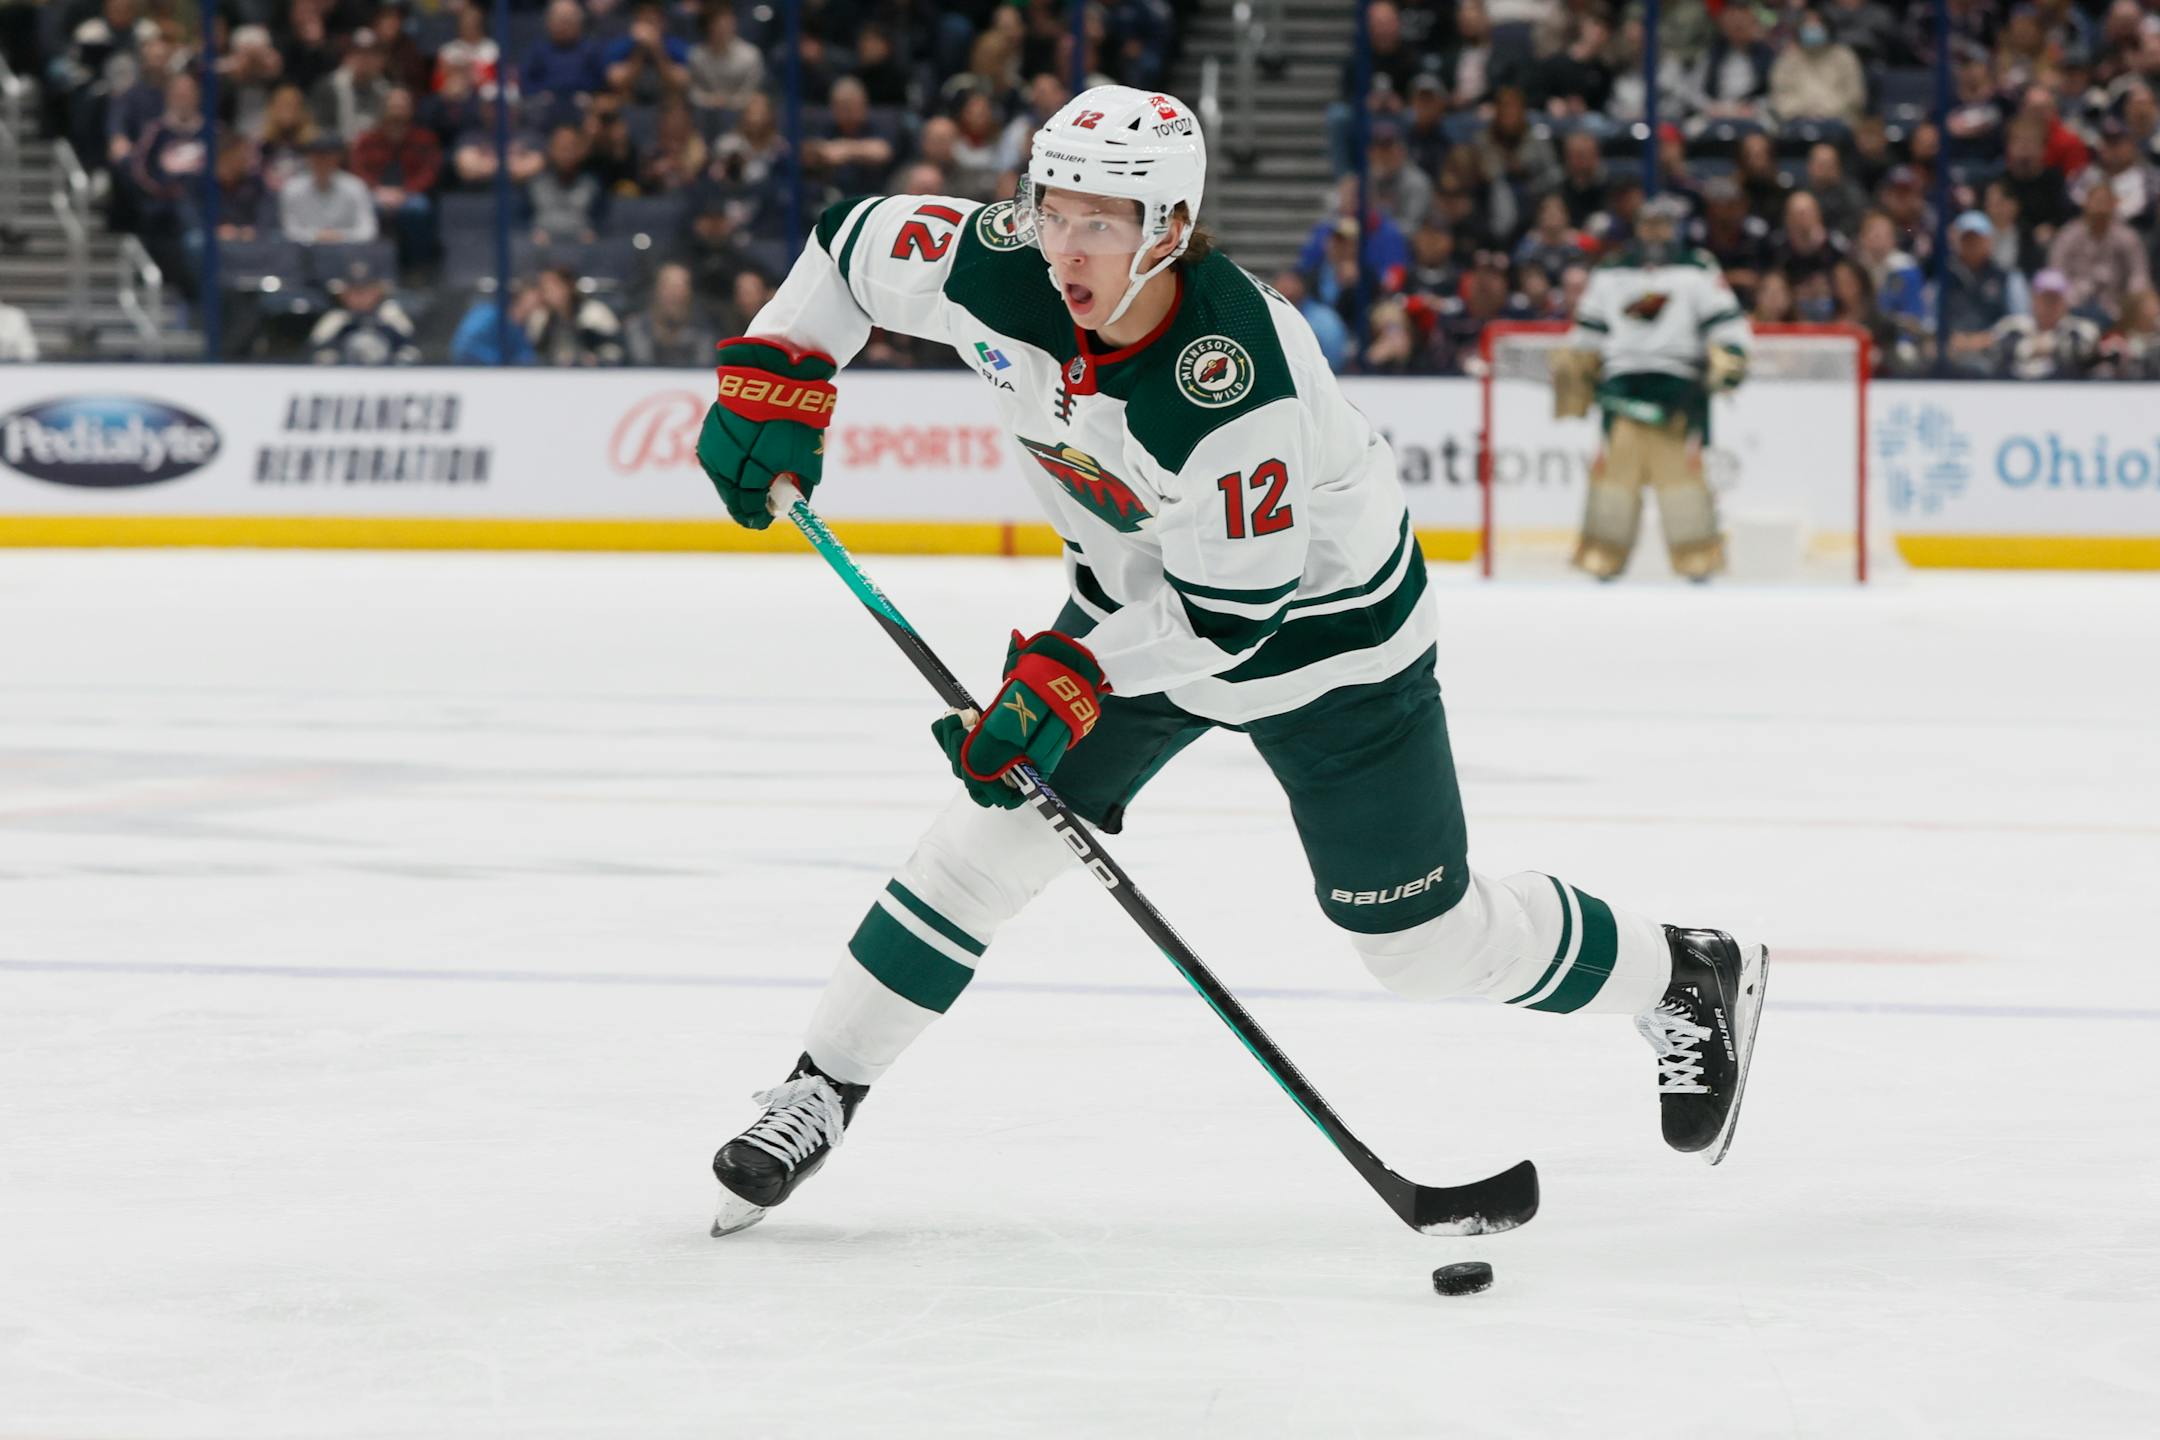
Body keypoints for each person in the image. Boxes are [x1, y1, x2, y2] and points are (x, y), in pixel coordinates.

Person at [692, 85, 1768, 1237]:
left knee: (1420, 947)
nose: (1067, 245)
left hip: (1327, 642)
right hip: (1132, 604)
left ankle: (1682, 972)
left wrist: (1067, 678)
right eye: (1055, 208)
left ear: (1166, 228)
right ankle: (822, 1087)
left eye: (1104, 221)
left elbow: (1231, 621)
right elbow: (850, 249)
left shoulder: (1233, 379)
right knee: (985, 843)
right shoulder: (996, 261)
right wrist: (780, 370)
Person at [1550, 194, 1752, 583]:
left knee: (1681, 481)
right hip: (1621, 384)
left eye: (1662, 224)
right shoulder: (1610, 272)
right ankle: (1602, 558)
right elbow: (1588, 334)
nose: (1654, 232)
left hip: (1677, 389)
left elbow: (1727, 324)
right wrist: (1575, 366)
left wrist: (1730, 355)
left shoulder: (1697, 269)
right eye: (1648, 224)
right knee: (1614, 480)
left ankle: (1698, 559)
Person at [350, 86, 440, 270]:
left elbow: (430, 171)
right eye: (394, 104)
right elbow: (357, 168)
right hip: (375, 193)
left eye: (402, 105)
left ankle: (418, 266)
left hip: (410, 193)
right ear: (384, 107)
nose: (397, 109)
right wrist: (376, 189)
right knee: (368, 209)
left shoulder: (425, 139)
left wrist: (405, 191)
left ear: (411, 109)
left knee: (418, 208)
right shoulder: (368, 139)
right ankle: (373, 268)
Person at [2047, 179, 2150, 320]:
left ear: (2114, 204)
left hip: (2116, 306)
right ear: (2086, 204)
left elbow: (2139, 275)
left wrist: (2132, 300)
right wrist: (2069, 296)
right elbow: (2056, 272)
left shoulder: (2128, 237)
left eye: (2105, 202)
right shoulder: (2069, 234)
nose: (2100, 207)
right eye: (2096, 201)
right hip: (2074, 303)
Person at [307, 254, 420, 364]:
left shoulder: (390, 315)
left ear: (378, 292)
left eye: (366, 292)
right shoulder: (337, 318)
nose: (360, 298)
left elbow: (412, 350)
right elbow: (316, 349)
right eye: (353, 292)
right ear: (342, 294)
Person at [1998, 268, 2102, 379]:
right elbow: (2004, 348)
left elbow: (2083, 349)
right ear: (2033, 299)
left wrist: (2042, 345)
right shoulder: (2013, 326)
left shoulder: (2081, 329)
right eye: (2045, 299)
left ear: (2064, 301)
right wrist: (2047, 346)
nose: (2049, 305)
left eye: (2055, 299)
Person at [280, 135, 379, 244]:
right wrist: (316, 236)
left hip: (347, 249)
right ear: (308, 158)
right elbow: (289, 230)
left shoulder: (355, 186)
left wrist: (340, 236)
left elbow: (368, 230)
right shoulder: (292, 188)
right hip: (306, 251)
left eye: (328, 156)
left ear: (338, 158)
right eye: (317, 156)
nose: (322, 161)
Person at [624, 261, 718, 366]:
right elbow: (640, 368)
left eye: (681, 287)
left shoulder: (702, 330)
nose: (675, 294)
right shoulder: (637, 328)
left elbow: (704, 370)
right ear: (656, 290)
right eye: (669, 287)